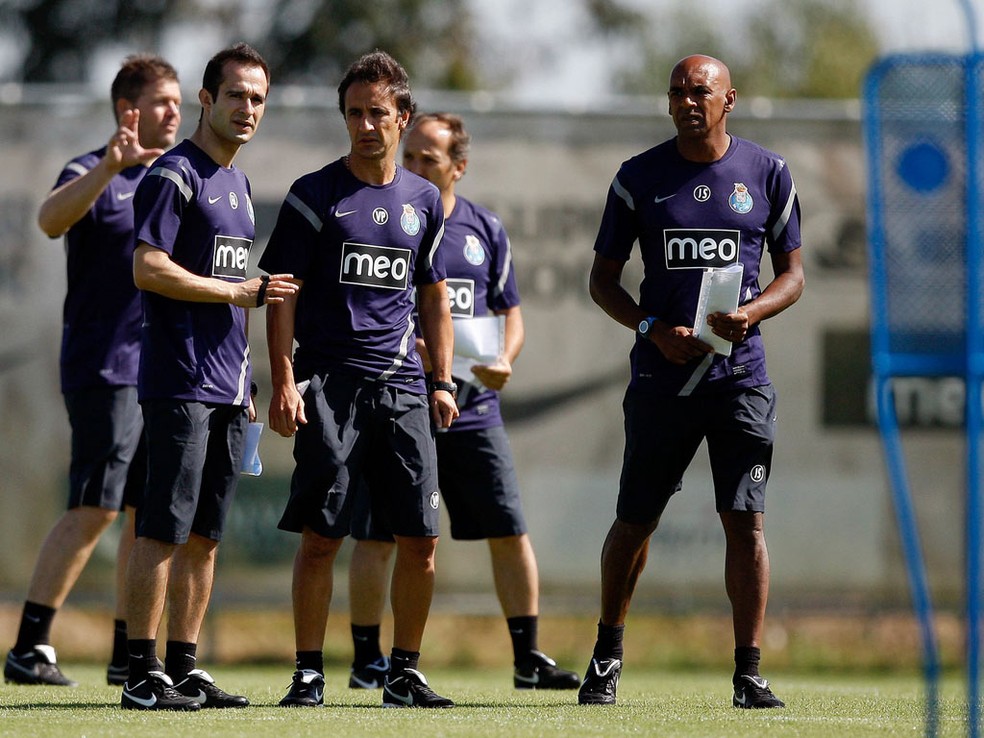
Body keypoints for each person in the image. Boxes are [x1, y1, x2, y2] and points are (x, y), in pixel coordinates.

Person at [577, 54, 804, 709]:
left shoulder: (768, 173)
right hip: (662, 379)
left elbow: (794, 275)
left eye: (698, 91)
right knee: (634, 523)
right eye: (676, 91)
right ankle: (607, 656)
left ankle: (749, 672)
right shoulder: (638, 177)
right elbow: (601, 280)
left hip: (740, 381)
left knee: (746, 523)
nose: (685, 101)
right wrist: (652, 327)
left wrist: (752, 312)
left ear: (729, 98)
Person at [346, 112, 580, 692]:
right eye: (413, 156)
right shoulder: (389, 217)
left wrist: (505, 359)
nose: (417, 167)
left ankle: (528, 658)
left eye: (430, 158)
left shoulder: (483, 229)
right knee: (378, 537)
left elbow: (510, 314)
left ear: (459, 166)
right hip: (397, 402)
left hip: (472, 409)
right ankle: (367, 660)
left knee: (508, 529)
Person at [259, 50, 457, 709]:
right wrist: (283, 381)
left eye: (377, 113)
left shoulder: (426, 199)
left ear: (404, 117)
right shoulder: (314, 195)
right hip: (330, 387)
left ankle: (403, 671)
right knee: (323, 538)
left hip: (403, 387)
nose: (365, 125)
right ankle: (309, 671)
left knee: (421, 541)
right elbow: (281, 293)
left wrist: (443, 380)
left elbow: (434, 296)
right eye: (354, 113)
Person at [121, 42, 297, 711]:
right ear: (207, 99)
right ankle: (140, 673)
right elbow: (148, 266)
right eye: (235, 95)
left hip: (226, 388)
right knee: (162, 527)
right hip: (179, 382)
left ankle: (185, 666)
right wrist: (236, 295)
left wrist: (248, 384)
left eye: (258, 98)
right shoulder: (176, 175)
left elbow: (236, 289)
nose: (247, 108)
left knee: (205, 534)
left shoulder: (240, 187)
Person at [5, 55, 181, 689]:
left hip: (161, 372)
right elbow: (50, 220)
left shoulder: (177, 176)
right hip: (105, 367)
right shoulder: (90, 169)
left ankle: (127, 654)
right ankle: (29, 645)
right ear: (129, 109)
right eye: (163, 101)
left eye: (179, 100)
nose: (175, 112)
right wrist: (112, 164)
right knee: (95, 507)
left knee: (142, 514)